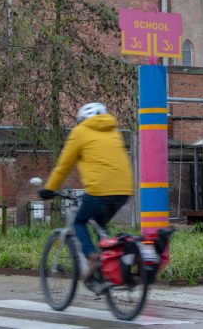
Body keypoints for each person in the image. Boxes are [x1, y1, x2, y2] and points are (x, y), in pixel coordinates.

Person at [38, 102, 134, 292]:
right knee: (100, 226)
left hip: (99, 190)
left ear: (81, 120)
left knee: (79, 222)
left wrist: (49, 189)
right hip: (124, 190)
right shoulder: (114, 131)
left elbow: (64, 166)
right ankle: (108, 269)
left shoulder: (80, 132)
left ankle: (92, 258)